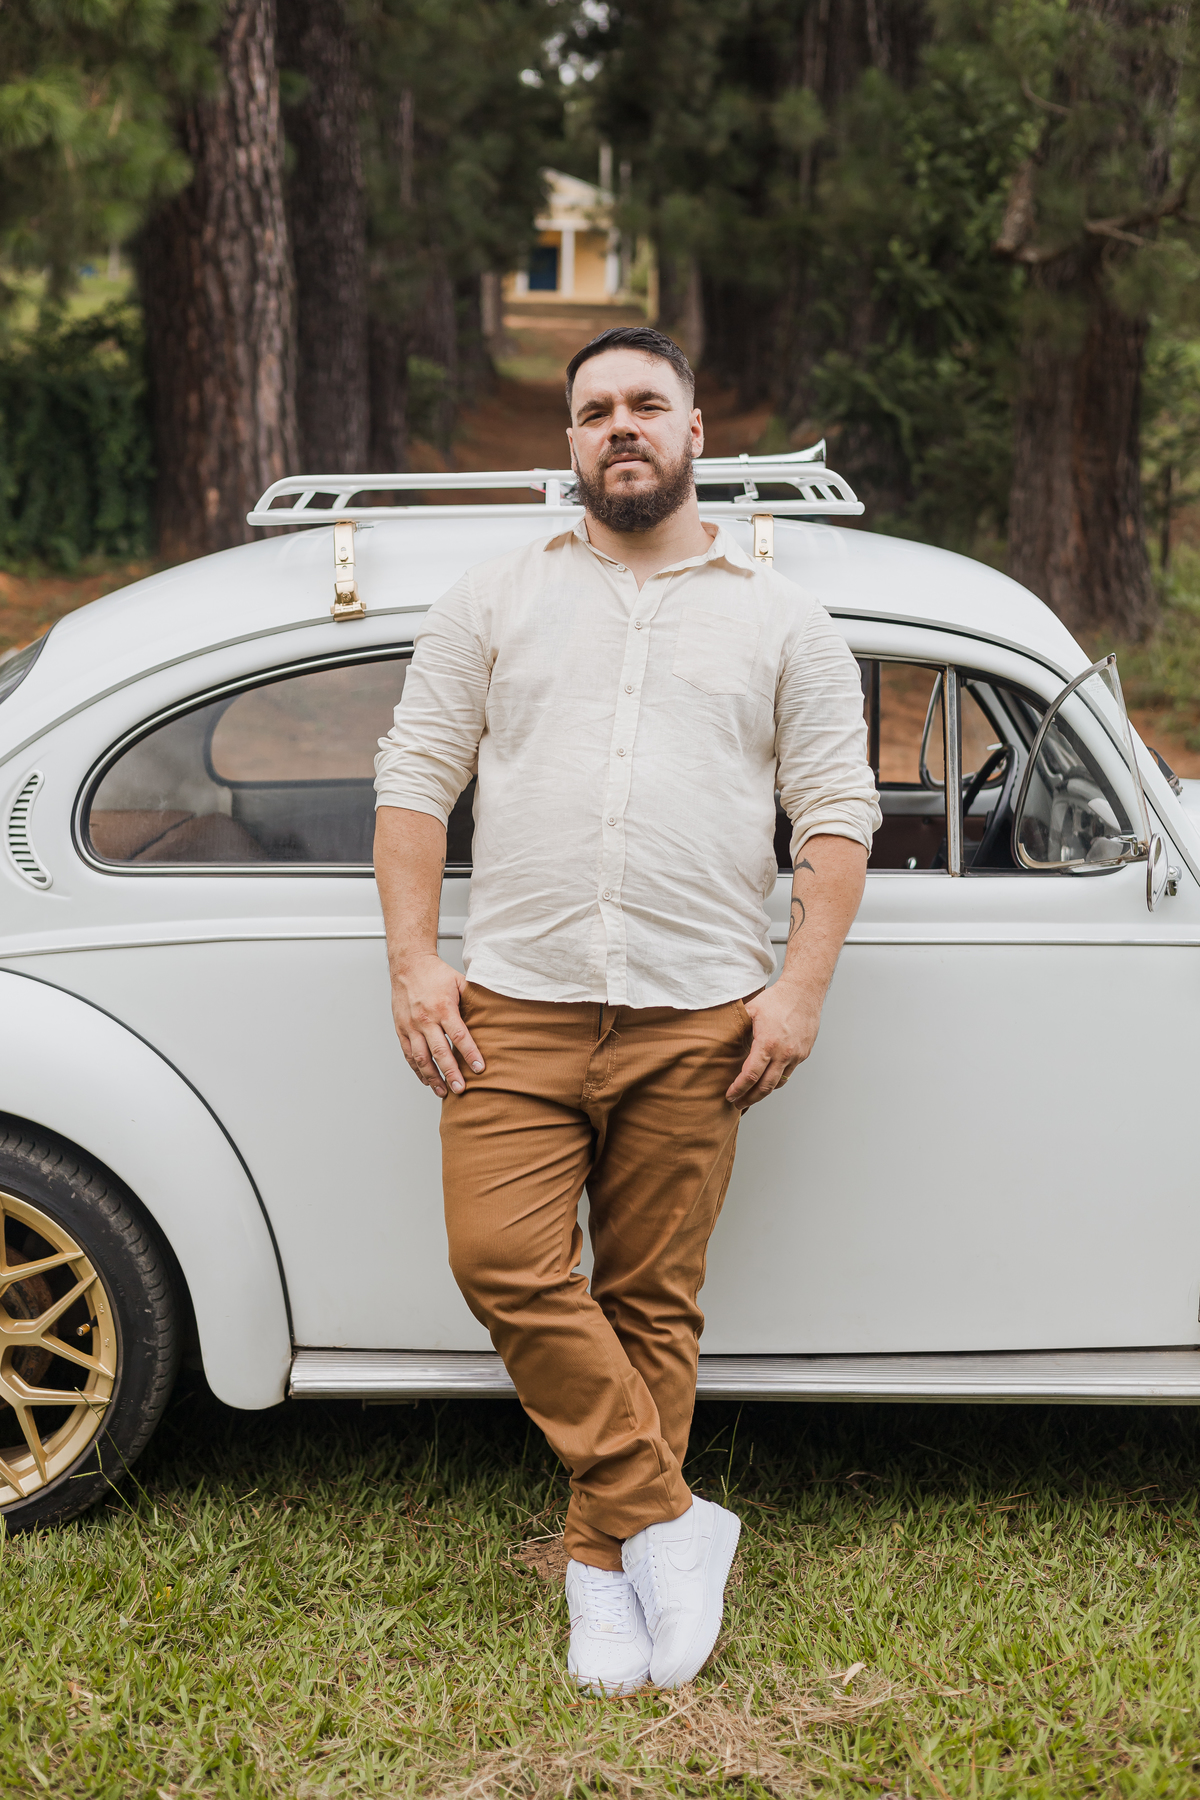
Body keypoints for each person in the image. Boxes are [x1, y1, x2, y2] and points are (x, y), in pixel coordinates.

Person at [373, 325, 880, 1696]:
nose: (621, 426)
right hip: (514, 1011)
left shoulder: (783, 620)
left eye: (645, 402)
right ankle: (669, 1516)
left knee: (653, 1299)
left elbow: (836, 815)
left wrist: (799, 991)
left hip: (698, 1016)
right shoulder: (496, 595)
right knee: (504, 1261)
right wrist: (416, 964)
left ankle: (603, 1575)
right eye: (594, 409)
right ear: (572, 444)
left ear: (697, 430)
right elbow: (415, 778)